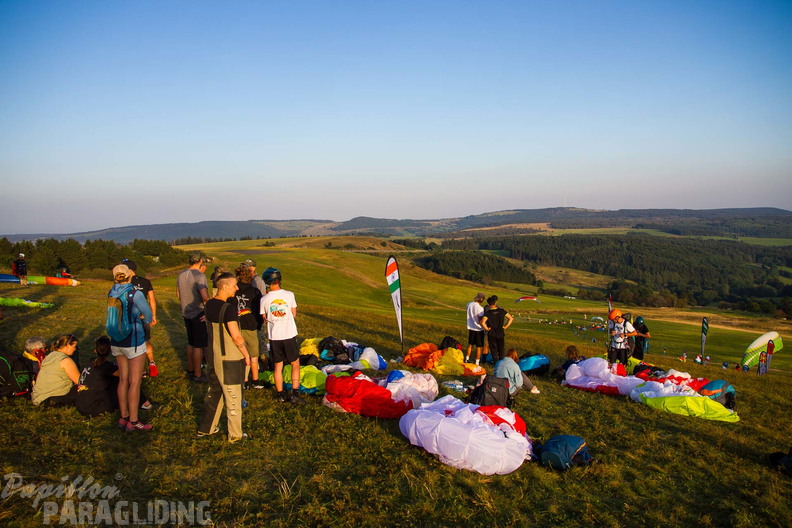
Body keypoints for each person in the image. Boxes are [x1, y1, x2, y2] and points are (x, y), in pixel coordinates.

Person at [198, 272, 252, 442]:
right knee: (233, 395)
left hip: (213, 356)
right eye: (234, 285)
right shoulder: (227, 308)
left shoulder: (209, 304)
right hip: (230, 358)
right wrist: (246, 355)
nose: (237, 288)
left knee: (215, 392)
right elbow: (236, 337)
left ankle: (206, 428)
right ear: (226, 286)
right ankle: (235, 434)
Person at [109, 264, 153, 432]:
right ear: (130, 275)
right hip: (133, 340)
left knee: (123, 380)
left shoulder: (112, 292)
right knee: (135, 382)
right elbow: (148, 316)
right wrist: (140, 316)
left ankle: (124, 416)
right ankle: (134, 421)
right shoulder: (135, 294)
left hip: (116, 340)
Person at [76, 336, 155, 418]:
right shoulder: (107, 367)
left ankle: (143, 403)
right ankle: (145, 403)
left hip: (81, 404)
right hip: (95, 408)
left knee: (117, 379)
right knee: (125, 380)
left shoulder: (91, 362)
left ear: (95, 350)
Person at [259, 267, 303, 403]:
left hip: (275, 336)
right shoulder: (289, 295)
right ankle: (295, 393)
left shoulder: (264, 299)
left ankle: (280, 394)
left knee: (278, 366)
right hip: (289, 334)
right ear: (279, 280)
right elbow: (293, 314)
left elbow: (264, 318)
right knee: (295, 364)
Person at [121, 259, 159, 377]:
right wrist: (153, 315)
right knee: (145, 340)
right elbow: (152, 299)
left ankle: (141, 369)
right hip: (144, 315)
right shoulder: (146, 282)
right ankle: (151, 362)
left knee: (133, 343)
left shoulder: (122, 284)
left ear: (130, 271)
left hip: (129, 317)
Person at [177, 253, 209, 382]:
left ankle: (190, 368)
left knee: (191, 342)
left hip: (186, 312)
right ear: (200, 261)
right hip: (198, 312)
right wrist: (208, 311)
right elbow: (205, 297)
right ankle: (198, 374)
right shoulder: (200, 276)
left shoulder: (181, 274)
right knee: (199, 345)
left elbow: (178, 293)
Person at [231, 264, 264, 389]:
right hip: (251, 326)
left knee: (241, 355)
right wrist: (259, 324)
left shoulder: (233, 291)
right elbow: (259, 311)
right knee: (253, 356)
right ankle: (255, 380)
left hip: (236, 327)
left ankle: (244, 381)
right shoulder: (255, 292)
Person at [31, 334, 81, 406]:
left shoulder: (49, 356)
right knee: (85, 389)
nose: (75, 349)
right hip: (53, 398)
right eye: (74, 346)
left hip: (38, 397)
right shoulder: (65, 360)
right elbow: (80, 381)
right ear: (67, 346)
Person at [480, 295, 513, 363]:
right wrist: (506, 326)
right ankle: (501, 362)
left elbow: (482, 322)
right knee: (501, 348)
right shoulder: (501, 311)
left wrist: (486, 328)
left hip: (491, 332)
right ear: (495, 303)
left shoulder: (488, 313)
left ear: (488, 304)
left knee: (493, 349)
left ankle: (496, 363)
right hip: (500, 331)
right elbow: (511, 318)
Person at [464, 292, 487, 365]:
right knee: (479, 347)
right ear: (481, 299)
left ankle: (466, 359)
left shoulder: (469, 304)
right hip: (478, 329)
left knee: (470, 344)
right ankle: (477, 362)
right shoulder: (480, 308)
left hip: (471, 327)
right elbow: (480, 320)